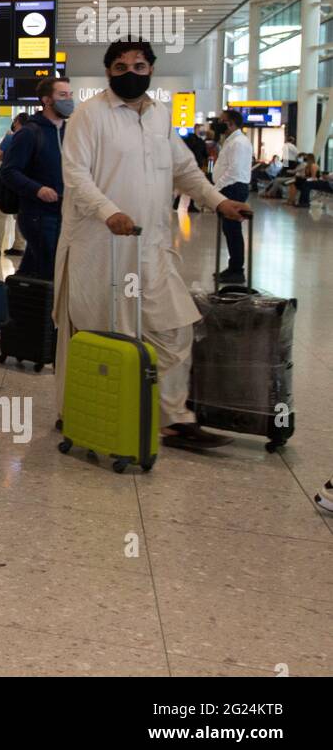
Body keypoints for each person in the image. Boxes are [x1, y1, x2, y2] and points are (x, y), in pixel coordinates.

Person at [53, 41, 252, 450]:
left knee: (175, 326)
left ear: (151, 69)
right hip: (101, 249)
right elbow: (75, 175)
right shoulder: (89, 117)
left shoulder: (159, 117)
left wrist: (219, 201)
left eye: (140, 65)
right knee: (103, 335)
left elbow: (183, 170)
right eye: (122, 65)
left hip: (151, 247)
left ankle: (172, 420)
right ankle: (84, 412)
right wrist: (109, 211)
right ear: (108, 72)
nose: (131, 71)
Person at [0, 77, 71, 280]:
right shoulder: (30, 133)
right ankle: (44, 310)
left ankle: (16, 305)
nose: (69, 100)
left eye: (70, 95)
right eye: (63, 95)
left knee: (33, 271)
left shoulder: (70, 132)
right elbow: (9, 171)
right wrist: (37, 189)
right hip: (37, 215)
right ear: (47, 100)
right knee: (49, 270)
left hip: (63, 213)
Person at [211, 109, 252, 284]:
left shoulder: (239, 142)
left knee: (233, 230)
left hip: (233, 188)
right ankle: (233, 267)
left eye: (222, 121)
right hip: (229, 187)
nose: (219, 123)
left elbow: (234, 170)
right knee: (229, 230)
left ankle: (237, 270)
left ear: (231, 123)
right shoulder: (232, 140)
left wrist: (216, 188)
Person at [0, 114, 28, 257]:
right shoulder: (31, 138)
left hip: (7, 180)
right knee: (20, 214)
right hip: (24, 180)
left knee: (0, 213)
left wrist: (8, 158)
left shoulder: (10, 137)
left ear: (17, 122)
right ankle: (19, 246)